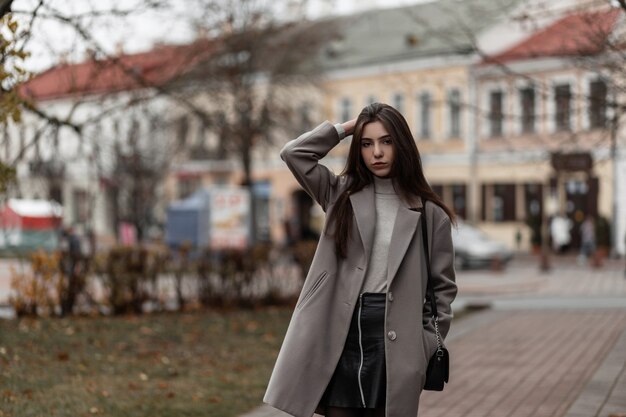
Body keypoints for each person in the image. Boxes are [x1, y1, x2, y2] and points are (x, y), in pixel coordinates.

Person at [264, 103, 457, 417]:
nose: (377, 152)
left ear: (402, 144)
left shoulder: (430, 214)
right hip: (341, 333)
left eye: (386, 141)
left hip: (396, 339)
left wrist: (424, 345)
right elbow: (294, 153)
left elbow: (443, 290)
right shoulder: (339, 194)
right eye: (367, 144)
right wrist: (349, 127)